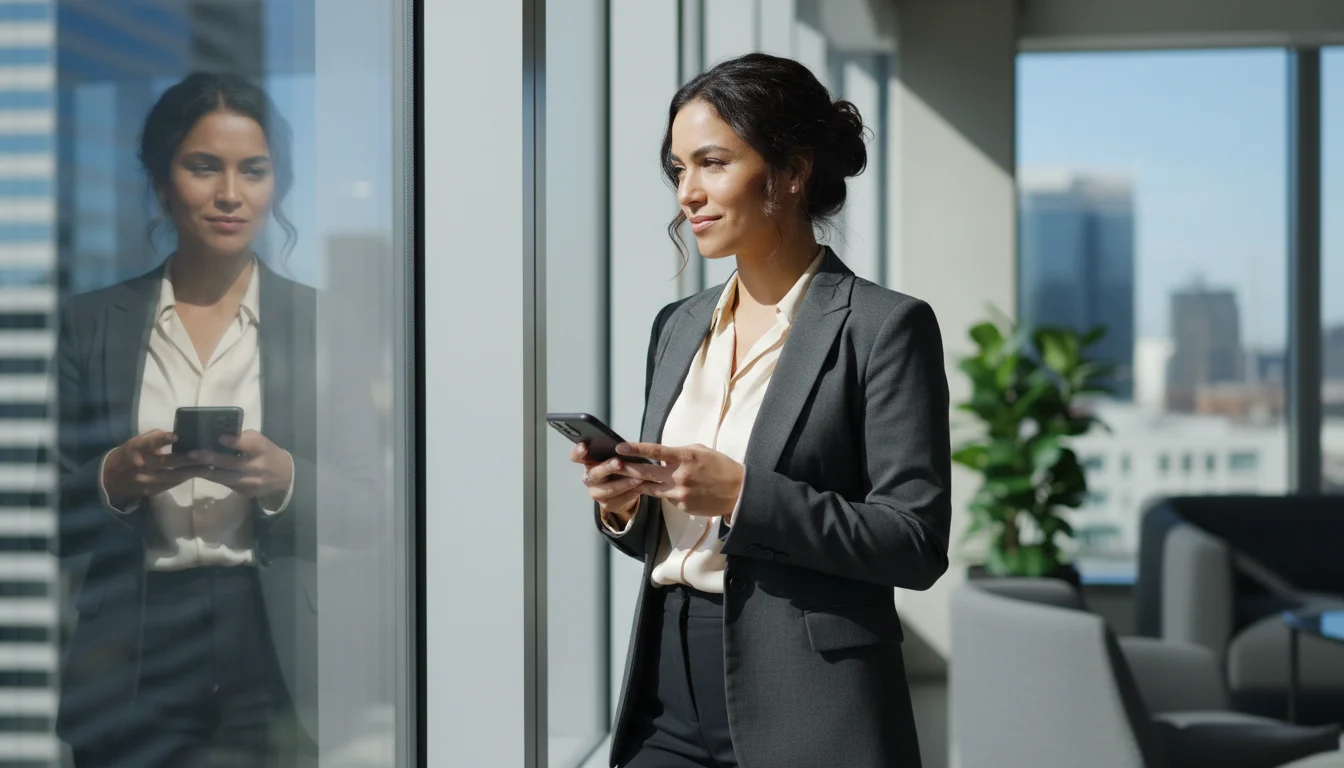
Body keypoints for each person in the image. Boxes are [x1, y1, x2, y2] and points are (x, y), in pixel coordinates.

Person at [572, 52, 952, 767]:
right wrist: (625, 503)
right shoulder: (677, 325)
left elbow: (915, 541)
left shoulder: (883, 328)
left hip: (810, 697)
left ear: (793, 170)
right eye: (678, 169)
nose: (687, 193)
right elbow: (670, 533)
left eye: (711, 163)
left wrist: (745, 496)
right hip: (666, 687)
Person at [55, 72, 323, 767]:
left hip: (271, 644)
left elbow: (376, 511)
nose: (230, 194)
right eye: (203, 166)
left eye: (253, 171)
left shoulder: (324, 324)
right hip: (131, 650)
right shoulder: (90, 322)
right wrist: (115, 476)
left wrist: (283, 477)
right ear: (160, 177)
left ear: (278, 185)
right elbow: (39, 514)